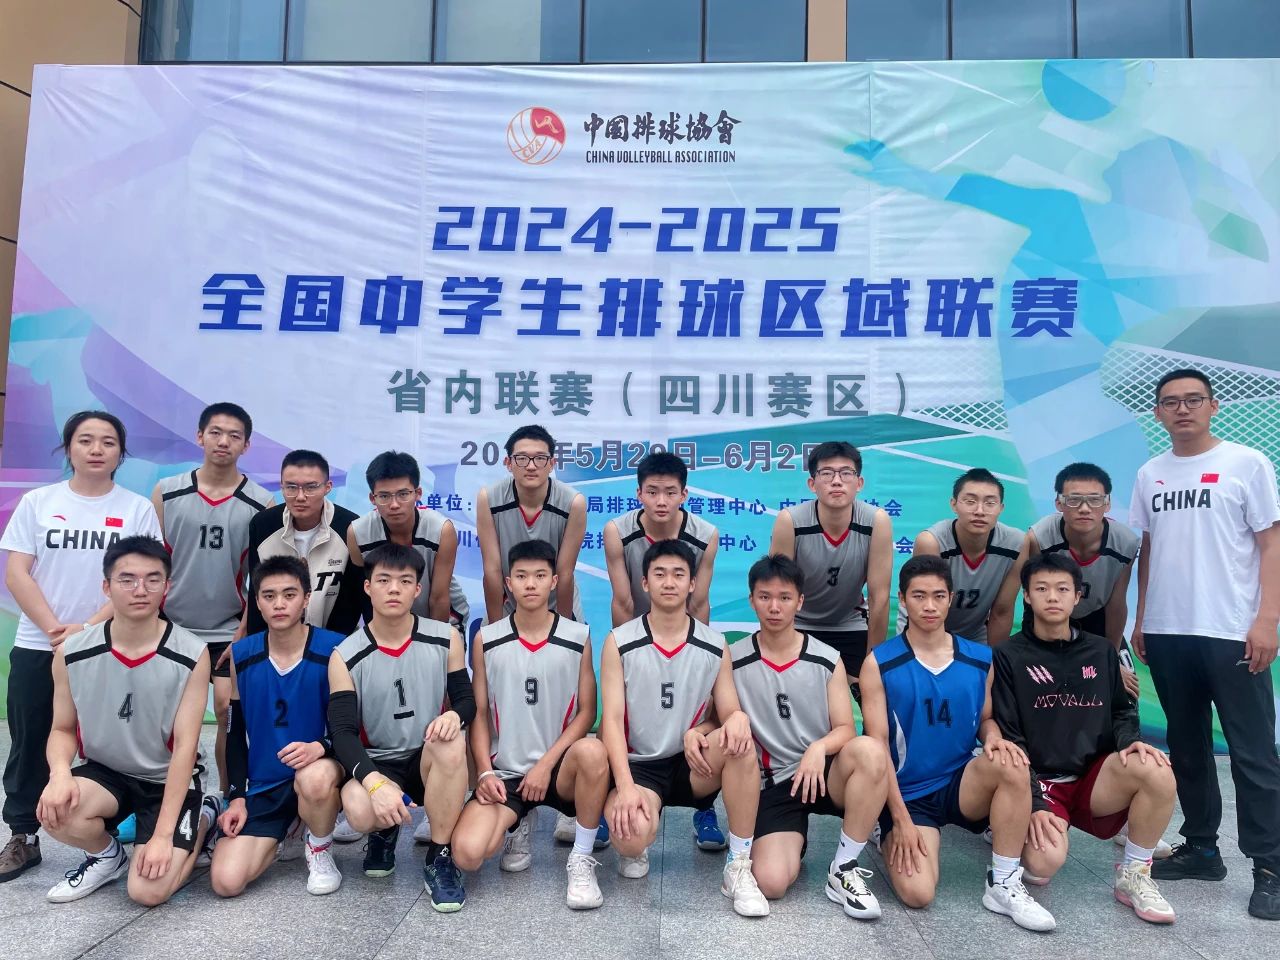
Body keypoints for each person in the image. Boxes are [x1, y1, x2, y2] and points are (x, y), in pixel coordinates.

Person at [1130, 368, 1280, 920]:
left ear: (1213, 406)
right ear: (1158, 413)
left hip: (1231, 631)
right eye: (1171, 402)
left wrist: (1268, 620)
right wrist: (1142, 619)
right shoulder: (1150, 473)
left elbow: (1271, 544)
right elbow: (1150, 549)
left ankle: (1270, 867)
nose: (1183, 409)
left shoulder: (1247, 463)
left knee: (1253, 753)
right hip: (1169, 631)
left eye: (1194, 399)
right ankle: (1201, 848)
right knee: (1187, 747)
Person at [1, 411, 161, 882]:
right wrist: (55, 630)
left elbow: (144, 577)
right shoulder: (38, 502)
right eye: (85, 440)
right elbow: (17, 573)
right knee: (31, 739)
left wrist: (87, 629)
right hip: (39, 643)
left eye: (108, 442)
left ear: (120, 453)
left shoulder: (136, 509)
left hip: (112, 643)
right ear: (68, 447)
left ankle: (108, 826)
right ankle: (23, 835)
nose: (96, 449)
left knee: (115, 736)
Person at [860, 555, 1056, 932]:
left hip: (960, 783)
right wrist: (899, 820)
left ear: (951, 598)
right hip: (908, 793)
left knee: (1011, 761)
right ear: (903, 599)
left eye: (938, 596)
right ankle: (883, 830)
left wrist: (995, 739)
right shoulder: (880, 663)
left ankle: (1003, 884)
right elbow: (878, 747)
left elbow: (985, 720)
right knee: (918, 893)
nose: (929, 606)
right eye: (919, 596)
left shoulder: (980, 658)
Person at [992, 554, 1177, 923]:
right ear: (1026, 596)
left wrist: (1129, 742)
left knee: (1155, 767)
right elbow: (1010, 737)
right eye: (1041, 589)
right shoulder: (1009, 655)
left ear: (1077, 596)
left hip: (1094, 778)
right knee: (1043, 864)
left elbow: (1121, 711)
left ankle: (1134, 875)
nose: (1052, 597)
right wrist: (1035, 803)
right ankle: (1014, 824)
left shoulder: (1101, 650)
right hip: (1043, 781)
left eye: (1063, 589)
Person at [36, 535, 217, 904]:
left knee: (148, 892)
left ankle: (203, 818)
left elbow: (185, 749)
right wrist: (59, 775)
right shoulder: (71, 653)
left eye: (152, 579)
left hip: (166, 778)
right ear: (106, 587)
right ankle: (107, 856)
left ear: (167, 586)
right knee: (55, 811)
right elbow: (62, 729)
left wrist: (163, 837)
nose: (140, 589)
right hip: (107, 773)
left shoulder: (191, 653)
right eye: (127, 579)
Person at [600, 539, 769, 918]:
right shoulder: (619, 641)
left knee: (741, 742)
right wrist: (624, 786)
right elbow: (609, 720)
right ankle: (639, 840)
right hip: (640, 767)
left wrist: (736, 718)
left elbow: (728, 709)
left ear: (692, 583)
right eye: (659, 574)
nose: (669, 582)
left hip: (693, 764)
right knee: (630, 838)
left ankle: (739, 865)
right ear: (645, 582)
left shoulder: (714, 644)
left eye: (679, 574)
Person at [451, 540, 609, 909]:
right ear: (508, 583)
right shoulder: (487, 639)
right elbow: (479, 713)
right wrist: (485, 773)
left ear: (554, 581)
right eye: (521, 576)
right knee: (468, 854)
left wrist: (545, 765)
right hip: (508, 772)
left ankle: (581, 857)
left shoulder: (578, 636)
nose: (531, 584)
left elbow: (587, 712)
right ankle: (518, 821)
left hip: (559, 769)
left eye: (540, 576)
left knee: (591, 750)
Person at [731, 555, 889, 919]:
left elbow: (846, 728)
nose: (774, 607)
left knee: (870, 751)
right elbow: (720, 717)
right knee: (771, 883)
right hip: (775, 783)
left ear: (800, 601)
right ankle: (788, 839)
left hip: (824, 772)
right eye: (765, 597)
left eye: (785, 597)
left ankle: (844, 868)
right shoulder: (734, 658)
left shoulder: (826, 658)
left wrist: (818, 748)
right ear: (752, 600)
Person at [326, 544, 473, 912]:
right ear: (367, 587)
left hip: (426, 757)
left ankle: (440, 856)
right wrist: (374, 784)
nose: (394, 589)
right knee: (359, 811)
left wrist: (455, 716)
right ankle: (382, 832)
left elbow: (467, 701)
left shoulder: (445, 637)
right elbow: (342, 733)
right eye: (384, 580)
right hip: (379, 761)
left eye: (405, 581)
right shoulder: (345, 655)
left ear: (417, 590)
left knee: (452, 741)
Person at [341, 449, 470, 845]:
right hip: (388, 622)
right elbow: (366, 594)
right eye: (384, 496)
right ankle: (380, 795)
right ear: (372, 498)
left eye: (403, 494)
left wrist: (431, 642)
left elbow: (439, 595)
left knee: (441, 713)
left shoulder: (441, 529)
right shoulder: (358, 533)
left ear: (418, 493)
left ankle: (438, 804)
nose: (394, 504)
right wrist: (378, 639)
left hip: (437, 616)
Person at [602, 450, 725, 851]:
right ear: (638, 493)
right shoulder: (616, 531)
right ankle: (613, 796)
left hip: (684, 634)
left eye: (670, 492)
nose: (660, 500)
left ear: (684, 494)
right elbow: (623, 601)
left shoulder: (706, 534)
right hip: (637, 635)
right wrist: (626, 654)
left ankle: (704, 807)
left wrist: (700, 660)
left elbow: (700, 602)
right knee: (622, 719)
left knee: (703, 721)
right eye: (652, 491)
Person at [151, 402, 273, 799]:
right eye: (216, 432)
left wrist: (246, 628)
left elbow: (260, 577)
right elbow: (151, 563)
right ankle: (164, 792)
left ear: (246, 445)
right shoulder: (167, 492)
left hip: (227, 627)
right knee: (165, 715)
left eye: (234, 436)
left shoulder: (261, 503)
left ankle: (223, 795)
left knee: (225, 708)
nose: (224, 441)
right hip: (171, 624)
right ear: (200, 436)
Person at [209, 555, 346, 898]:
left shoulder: (336, 648)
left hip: (321, 772)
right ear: (257, 602)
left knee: (315, 779)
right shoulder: (243, 654)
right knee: (226, 882)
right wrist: (236, 797)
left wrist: (322, 747)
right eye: (269, 596)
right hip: (266, 783)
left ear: (307, 598)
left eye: (289, 594)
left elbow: (353, 725)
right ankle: (289, 828)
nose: (279, 604)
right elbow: (234, 732)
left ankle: (320, 848)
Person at [769, 441, 892, 694]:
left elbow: (879, 597)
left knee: (869, 696)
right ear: (812, 484)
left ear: (859, 483)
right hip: (799, 624)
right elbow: (777, 591)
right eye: (826, 473)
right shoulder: (790, 521)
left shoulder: (876, 521)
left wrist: (873, 660)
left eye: (846, 473)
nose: (836, 481)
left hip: (850, 624)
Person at [244, 449, 362, 637]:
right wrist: (258, 644)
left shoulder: (350, 527)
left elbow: (353, 599)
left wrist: (329, 645)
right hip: (274, 640)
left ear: (328, 487)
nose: (300, 497)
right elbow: (257, 592)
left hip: (334, 641)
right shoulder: (263, 525)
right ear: (281, 487)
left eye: (310, 487)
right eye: (291, 487)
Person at [476, 424, 586, 622]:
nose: (531, 466)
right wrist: (494, 630)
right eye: (522, 458)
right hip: (510, 601)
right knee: (489, 638)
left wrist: (564, 630)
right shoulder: (489, 498)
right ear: (508, 463)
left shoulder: (573, 503)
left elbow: (565, 573)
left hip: (557, 601)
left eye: (540, 458)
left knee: (572, 639)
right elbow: (492, 570)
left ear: (552, 464)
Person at [904, 468, 1021, 645]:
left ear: (1001, 508)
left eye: (990, 503)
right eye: (970, 501)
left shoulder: (1016, 544)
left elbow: (1002, 611)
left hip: (974, 634)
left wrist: (995, 659)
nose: (980, 511)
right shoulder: (931, 542)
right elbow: (928, 606)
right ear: (954, 504)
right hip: (924, 627)